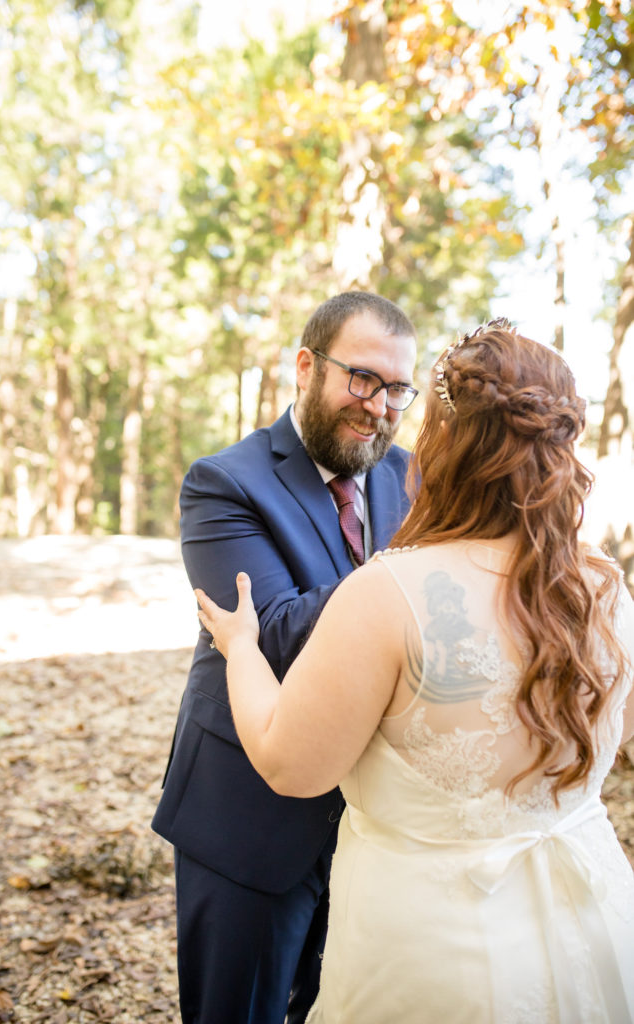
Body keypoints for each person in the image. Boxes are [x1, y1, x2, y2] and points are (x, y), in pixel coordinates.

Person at [196, 319, 634, 1024]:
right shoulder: (603, 589)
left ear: (440, 442)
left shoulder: (386, 591)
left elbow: (291, 768)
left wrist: (242, 648)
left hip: (433, 943)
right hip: (595, 917)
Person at [152, 291, 419, 1024]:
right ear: (307, 366)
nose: (380, 407)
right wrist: (423, 584)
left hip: (376, 819)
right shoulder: (225, 483)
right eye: (362, 379)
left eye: (398, 387)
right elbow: (268, 630)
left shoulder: (414, 478)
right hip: (249, 814)